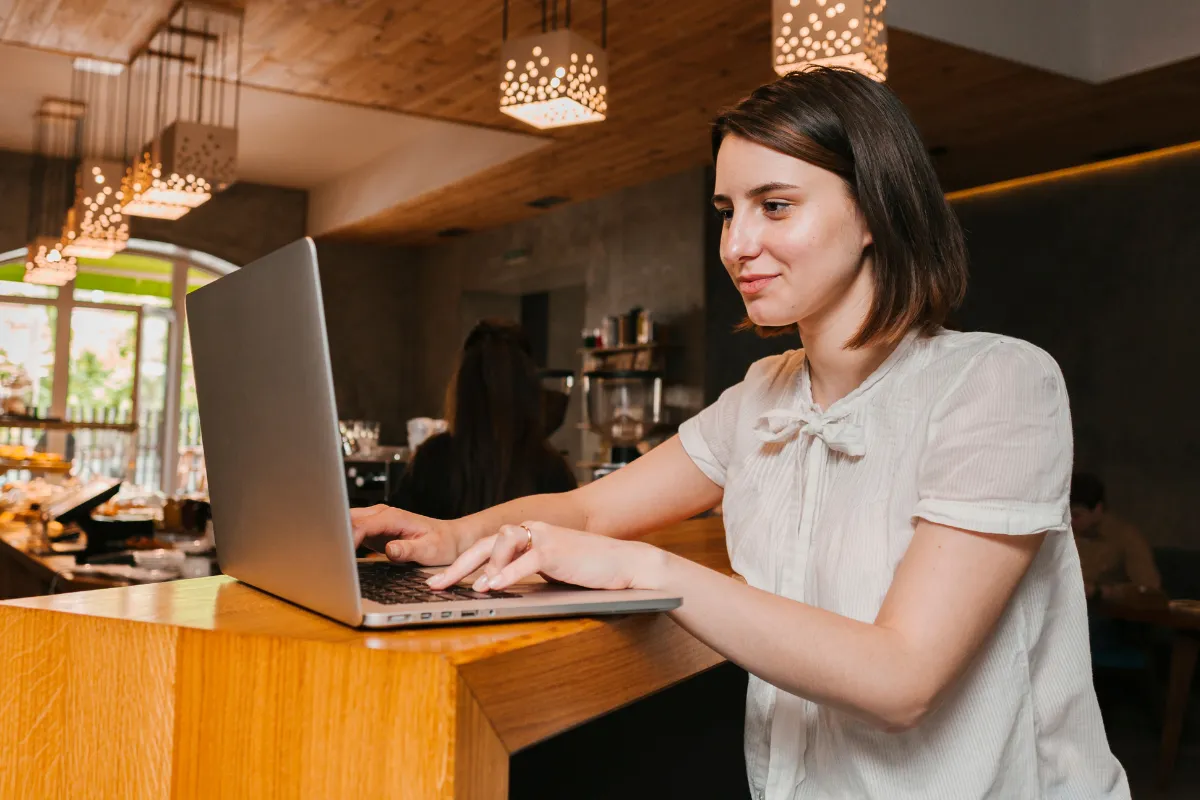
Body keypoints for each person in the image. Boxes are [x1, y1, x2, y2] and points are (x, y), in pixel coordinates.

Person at [354, 68, 1128, 799]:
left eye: (775, 205)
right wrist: (454, 537)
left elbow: (903, 678)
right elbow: (590, 511)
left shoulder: (997, 383)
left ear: (874, 212)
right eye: (728, 211)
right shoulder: (764, 394)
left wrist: (640, 571)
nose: (736, 245)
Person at [388, 319, 576, 520]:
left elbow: (397, 531)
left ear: (462, 387)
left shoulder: (431, 460)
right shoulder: (552, 469)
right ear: (530, 389)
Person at [1071, 472, 1162, 599]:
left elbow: (1148, 589)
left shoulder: (1125, 537)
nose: (1069, 521)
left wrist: (1100, 592)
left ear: (1098, 509)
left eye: (1076, 516)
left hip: (1103, 612)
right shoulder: (1063, 534)